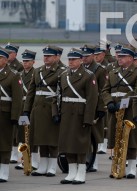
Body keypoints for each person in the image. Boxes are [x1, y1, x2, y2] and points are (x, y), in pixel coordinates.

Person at [57, 49, 98, 184]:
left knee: (80, 145)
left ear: (81, 60)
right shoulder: (64, 75)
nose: (71, 62)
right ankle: (71, 172)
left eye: (74, 59)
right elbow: (58, 96)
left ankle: (81, 172)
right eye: (69, 59)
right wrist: (56, 113)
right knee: (67, 144)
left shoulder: (88, 75)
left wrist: (88, 118)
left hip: (80, 114)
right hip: (66, 113)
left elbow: (92, 99)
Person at [23, 46, 66, 177]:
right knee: (40, 138)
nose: (46, 58)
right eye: (45, 56)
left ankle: (52, 166)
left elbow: (62, 93)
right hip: (38, 109)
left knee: (52, 139)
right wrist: (26, 110)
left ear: (56, 57)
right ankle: (42, 165)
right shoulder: (38, 71)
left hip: (51, 109)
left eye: (49, 56)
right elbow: (31, 92)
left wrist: (58, 112)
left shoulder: (62, 72)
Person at [102, 45, 137, 178]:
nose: (119, 58)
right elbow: (105, 90)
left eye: (123, 57)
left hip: (130, 109)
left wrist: (124, 102)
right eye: (119, 56)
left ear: (130, 58)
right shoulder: (113, 72)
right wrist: (109, 102)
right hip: (114, 109)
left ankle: (131, 168)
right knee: (115, 138)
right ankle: (117, 166)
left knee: (130, 140)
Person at [80, 44, 108, 171]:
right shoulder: (80, 69)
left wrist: (102, 108)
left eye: (87, 56)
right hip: (82, 106)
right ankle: (85, 160)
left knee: (94, 136)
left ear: (92, 55)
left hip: (95, 106)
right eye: (83, 56)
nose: (84, 59)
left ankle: (93, 162)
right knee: (83, 136)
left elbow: (103, 90)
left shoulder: (100, 70)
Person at [0, 47, 22, 183]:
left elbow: (17, 99)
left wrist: (15, 117)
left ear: (5, 60)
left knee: (4, 143)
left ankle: (3, 171)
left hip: (5, 114)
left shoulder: (13, 75)